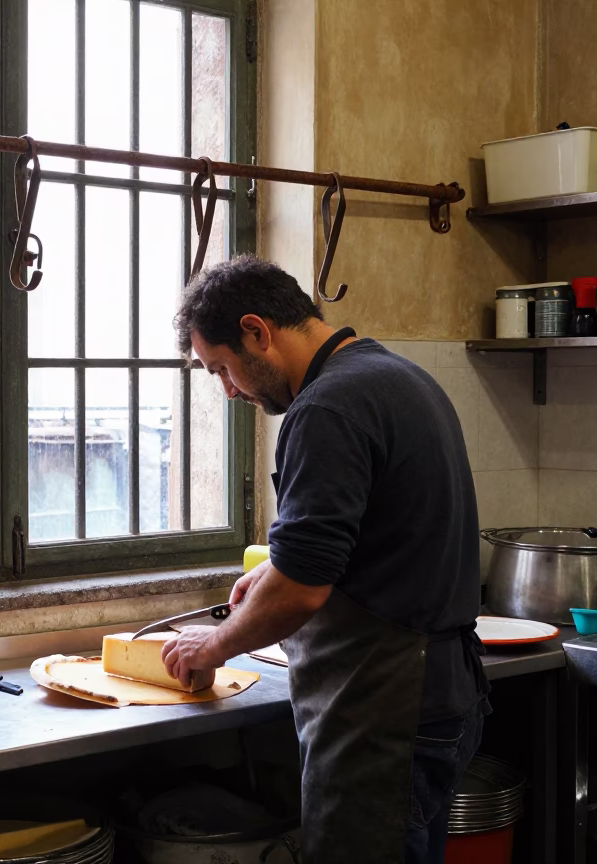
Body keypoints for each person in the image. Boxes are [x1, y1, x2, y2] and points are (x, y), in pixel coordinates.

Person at [163, 254, 490, 864]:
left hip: (385, 717)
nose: (230, 391)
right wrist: (277, 567)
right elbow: (373, 536)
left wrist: (213, 646)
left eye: (223, 370)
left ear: (257, 331)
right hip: (440, 696)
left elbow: (303, 589)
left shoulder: (326, 408)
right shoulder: (396, 377)